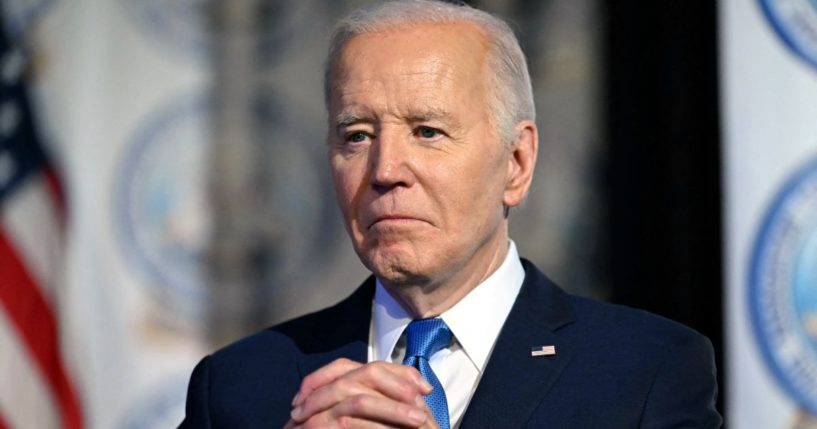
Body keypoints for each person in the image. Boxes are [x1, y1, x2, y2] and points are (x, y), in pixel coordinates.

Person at [180, 1, 722, 428]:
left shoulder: (645, 372)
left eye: (428, 131)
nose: (385, 169)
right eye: (357, 135)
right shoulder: (239, 386)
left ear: (516, 162)